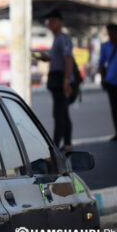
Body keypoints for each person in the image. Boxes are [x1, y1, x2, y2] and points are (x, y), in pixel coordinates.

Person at [37, 10, 74, 151]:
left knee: (59, 113)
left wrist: (66, 81)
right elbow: (59, 58)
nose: (50, 23)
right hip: (57, 79)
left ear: (60, 22)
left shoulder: (63, 38)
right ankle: (67, 143)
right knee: (63, 113)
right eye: (49, 20)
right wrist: (47, 58)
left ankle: (55, 146)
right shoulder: (57, 39)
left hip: (60, 80)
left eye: (53, 20)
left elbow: (68, 59)